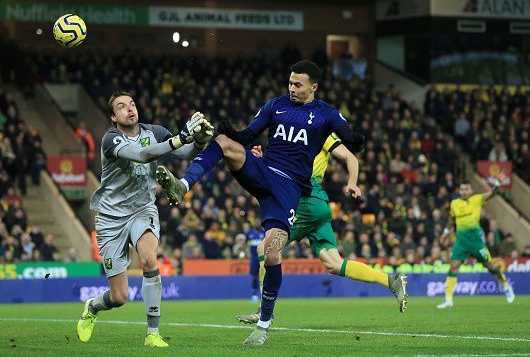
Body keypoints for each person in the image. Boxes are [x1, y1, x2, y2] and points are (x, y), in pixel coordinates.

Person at [157, 60, 364, 345]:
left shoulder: (325, 113)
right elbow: (247, 136)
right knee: (224, 142)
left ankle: (263, 325)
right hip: (264, 170)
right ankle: (182, 185)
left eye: (298, 84)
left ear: (313, 87)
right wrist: (232, 130)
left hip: (289, 189)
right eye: (290, 82)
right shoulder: (275, 105)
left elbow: (350, 136)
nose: (292, 88)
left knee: (273, 253)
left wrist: (356, 140)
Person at [76, 90, 214, 347]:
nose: (130, 109)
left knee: (150, 258)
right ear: (113, 117)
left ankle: (152, 333)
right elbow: (143, 155)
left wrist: (200, 142)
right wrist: (179, 138)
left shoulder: (155, 131)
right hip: (110, 218)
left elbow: (184, 153)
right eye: (121, 107)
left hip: (143, 209)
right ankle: (93, 307)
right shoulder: (111, 139)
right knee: (120, 297)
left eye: (132, 104)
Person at [235, 135, 408, 324]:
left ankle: (264, 310)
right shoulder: (294, 133)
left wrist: (352, 181)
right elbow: (283, 170)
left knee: (264, 248)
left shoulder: (321, 133)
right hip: (319, 205)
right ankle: (391, 281)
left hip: (305, 201)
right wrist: (263, 161)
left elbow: (350, 157)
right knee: (334, 263)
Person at [436, 179, 515, 309]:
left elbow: (492, 193)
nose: (464, 192)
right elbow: (451, 219)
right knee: (453, 267)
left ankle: (506, 286)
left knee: (491, 267)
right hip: (461, 242)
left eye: (466, 189)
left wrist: (497, 185)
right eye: (462, 189)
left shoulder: (477, 199)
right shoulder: (454, 203)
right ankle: (448, 299)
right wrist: (445, 232)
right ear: (459, 191)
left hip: (476, 243)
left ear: (471, 190)